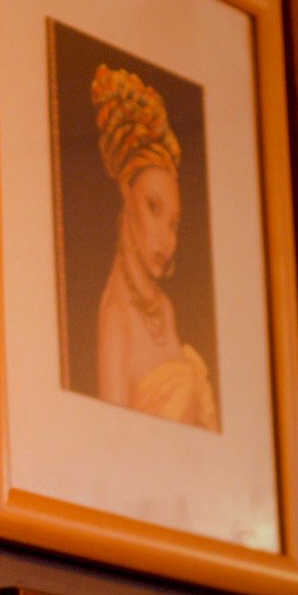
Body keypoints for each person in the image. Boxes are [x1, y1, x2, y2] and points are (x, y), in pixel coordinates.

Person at [90, 64, 218, 431]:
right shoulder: (116, 322)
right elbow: (116, 452)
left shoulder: (164, 309)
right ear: (126, 195)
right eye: (153, 207)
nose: (168, 239)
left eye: (174, 223)